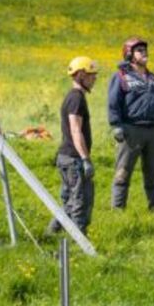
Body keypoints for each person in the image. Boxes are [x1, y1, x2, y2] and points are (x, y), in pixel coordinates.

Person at [107, 36, 154, 212]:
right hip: (131, 130)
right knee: (122, 173)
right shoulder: (121, 76)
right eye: (139, 50)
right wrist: (116, 125)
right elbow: (113, 102)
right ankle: (117, 211)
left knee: (153, 175)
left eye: (145, 50)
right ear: (129, 54)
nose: (144, 53)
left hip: (153, 132)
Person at [51, 55, 99, 236]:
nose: (94, 78)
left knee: (69, 201)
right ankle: (80, 241)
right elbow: (75, 130)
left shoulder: (75, 97)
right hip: (73, 158)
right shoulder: (76, 98)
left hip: (68, 157)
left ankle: (51, 234)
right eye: (91, 74)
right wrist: (85, 159)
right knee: (80, 200)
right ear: (80, 75)